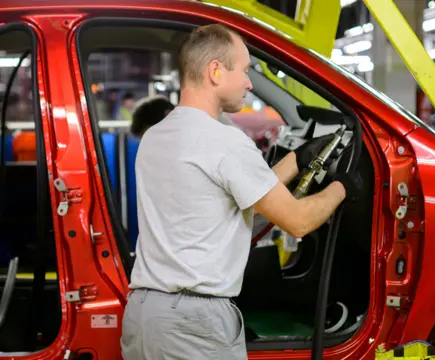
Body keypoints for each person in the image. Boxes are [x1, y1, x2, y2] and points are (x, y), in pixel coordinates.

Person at [120, 24, 362, 360]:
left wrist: (298, 158)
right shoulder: (224, 142)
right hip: (195, 324)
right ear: (216, 71)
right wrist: (345, 186)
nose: (249, 82)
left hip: (145, 316)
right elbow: (298, 221)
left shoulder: (156, 137)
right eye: (245, 70)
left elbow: (233, 201)